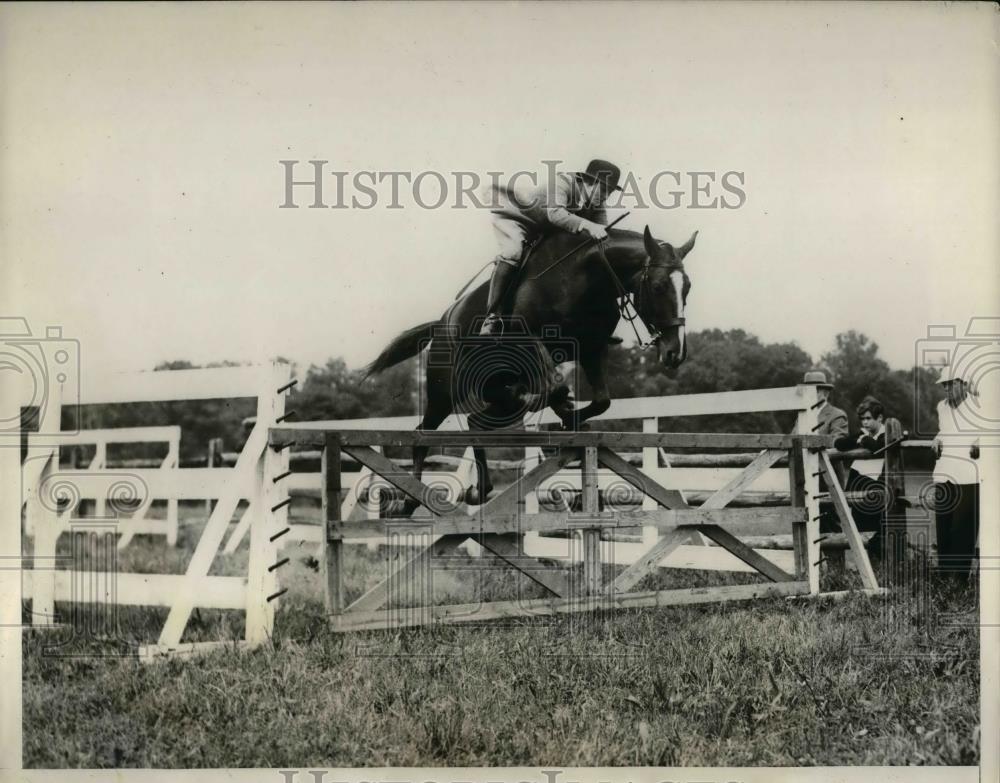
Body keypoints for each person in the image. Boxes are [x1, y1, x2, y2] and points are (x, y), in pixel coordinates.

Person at [479, 159, 623, 336]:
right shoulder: (562, 182)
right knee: (513, 251)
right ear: (588, 182)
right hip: (520, 220)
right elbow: (556, 214)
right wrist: (590, 226)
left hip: (546, 231)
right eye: (604, 189)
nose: (606, 196)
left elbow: (602, 234)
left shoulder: (597, 204)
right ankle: (492, 317)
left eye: (609, 192)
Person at [932, 366, 982, 584]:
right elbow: (944, 431)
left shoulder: (979, 404)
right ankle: (944, 578)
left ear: (962, 383)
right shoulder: (942, 407)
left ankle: (959, 581)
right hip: (944, 473)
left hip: (969, 475)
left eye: (951, 383)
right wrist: (936, 438)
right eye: (944, 384)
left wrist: (981, 442)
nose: (946, 388)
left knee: (963, 528)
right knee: (943, 527)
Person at [801, 371, 849, 438]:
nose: (809, 395)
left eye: (815, 391)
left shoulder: (837, 415)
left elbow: (837, 443)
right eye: (806, 391)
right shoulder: (802, 415)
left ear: (826, 394)